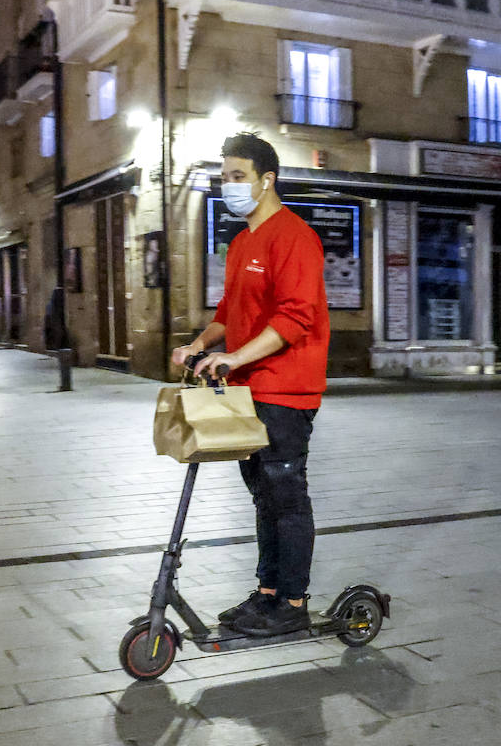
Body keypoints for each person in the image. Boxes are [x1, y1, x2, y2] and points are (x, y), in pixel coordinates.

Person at [171, 132, 329, 637]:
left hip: (285, 391)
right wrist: (199, 345)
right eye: (224, 178)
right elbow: (228, 313)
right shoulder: (241, 243)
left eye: (238, 177)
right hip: (247, 391)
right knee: (263, 496)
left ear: (267, 180)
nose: (229, 186)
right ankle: (267, 593)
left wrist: (236, 355)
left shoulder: (295, 237)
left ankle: (294, 602)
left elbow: (295, 318)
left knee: (287, 496)